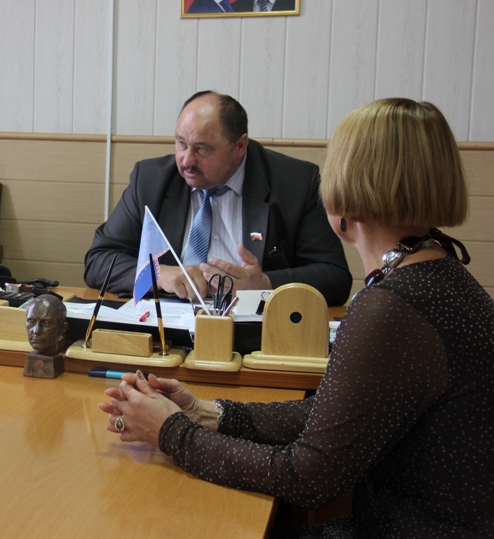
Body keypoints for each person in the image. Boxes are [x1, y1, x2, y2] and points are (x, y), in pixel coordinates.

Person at [99, 99, 494, 537]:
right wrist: (210, 413)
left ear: (346, 193)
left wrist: (169, 432)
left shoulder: (391, 308)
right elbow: (335, 415)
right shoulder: (439, 273)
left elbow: (306, 477)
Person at [84, 91, 351, 307]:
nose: (186, 161)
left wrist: (266, 284)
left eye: (202, 149)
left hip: (253, 334)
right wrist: (157, 274)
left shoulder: (294, 183)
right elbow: (99, 260)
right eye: (181, 143)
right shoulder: (150, 179)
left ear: (240, 146)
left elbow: (335, 277)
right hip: (167, 328)